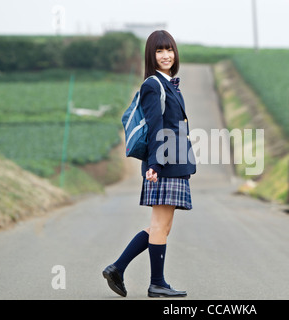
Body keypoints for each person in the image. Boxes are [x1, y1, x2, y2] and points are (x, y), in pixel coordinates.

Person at [103, 30, 196, 298]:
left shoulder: (167, 84)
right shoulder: (152, 85)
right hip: (164, 164)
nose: (166, 55)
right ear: (151, 55)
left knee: (162, 227)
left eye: (169, 50)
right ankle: (156, 284)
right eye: (159, 50)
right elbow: (156, 127)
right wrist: (154, 165)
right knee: (159, 226)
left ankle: (118, 268)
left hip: (173, 163)